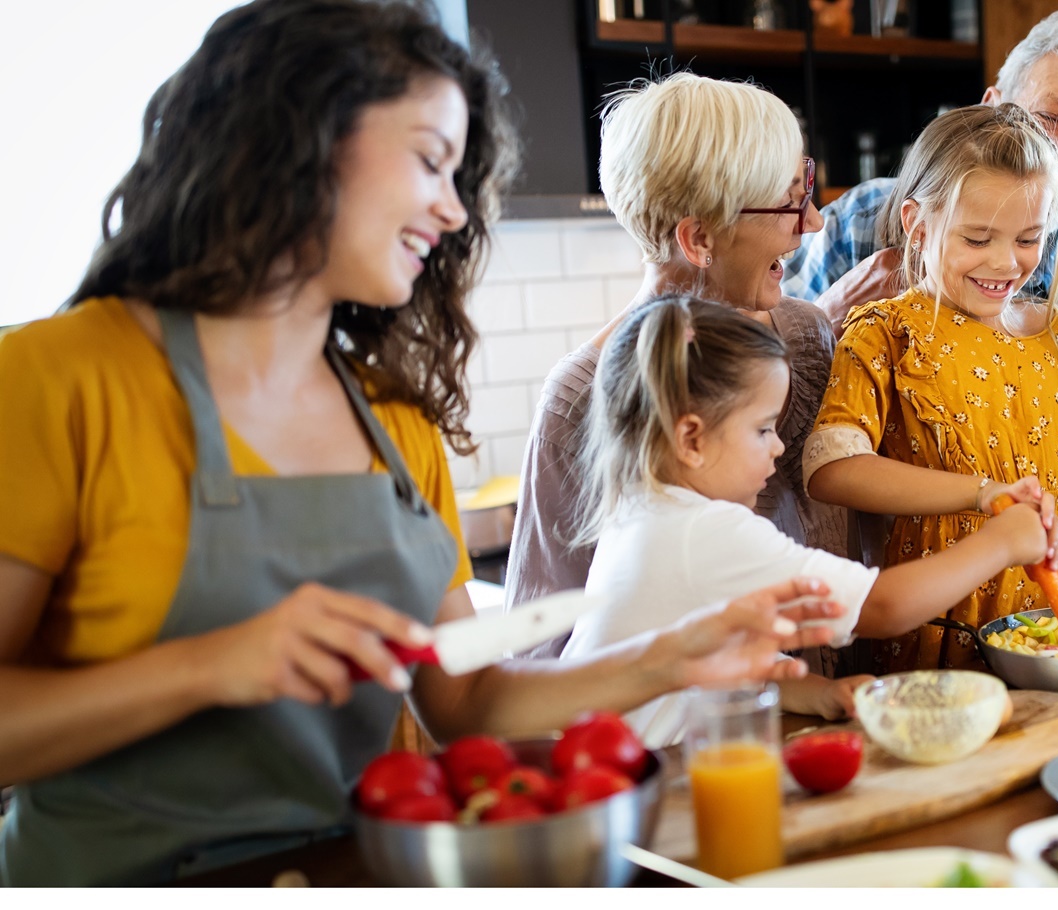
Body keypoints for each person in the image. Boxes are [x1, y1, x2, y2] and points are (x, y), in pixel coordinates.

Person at [0, 0, 848, 886]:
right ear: (299, 137)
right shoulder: (59, 378)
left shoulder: (391, 417)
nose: (450, 211)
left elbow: (465, 700)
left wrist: (669, 658)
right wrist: (208, 666)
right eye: (429, 162)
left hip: (352, 874)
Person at [804, 105, 1058, 674]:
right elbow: (831, 468)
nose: (1005, 263)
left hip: (1055, 631)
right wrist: (981, 494)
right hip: (936, 636)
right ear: (917, 225)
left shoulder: (1055, 338)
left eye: (1029, 239)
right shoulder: (886, 334)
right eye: (977, 239)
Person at [565, 295, 1058, 746]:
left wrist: (812, 691)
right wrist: (1001, 544)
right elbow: (882, 607)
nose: (779, 447)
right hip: (637, 786)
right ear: (691, 439)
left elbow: (709, 657)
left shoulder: (644, 513)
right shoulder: (705, 531)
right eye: (762, 429)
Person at [503, 74, 846, 655]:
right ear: (699, 237)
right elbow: (541, 649)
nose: (812, 221)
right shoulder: (582, 399)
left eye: (805, 185)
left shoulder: (809, 335)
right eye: (789, 200)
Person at [781, 4, 1058, 342]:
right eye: (1049, 117)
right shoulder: (861, 221)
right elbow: (753, 363)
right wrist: (826, 319)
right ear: (989, 110)